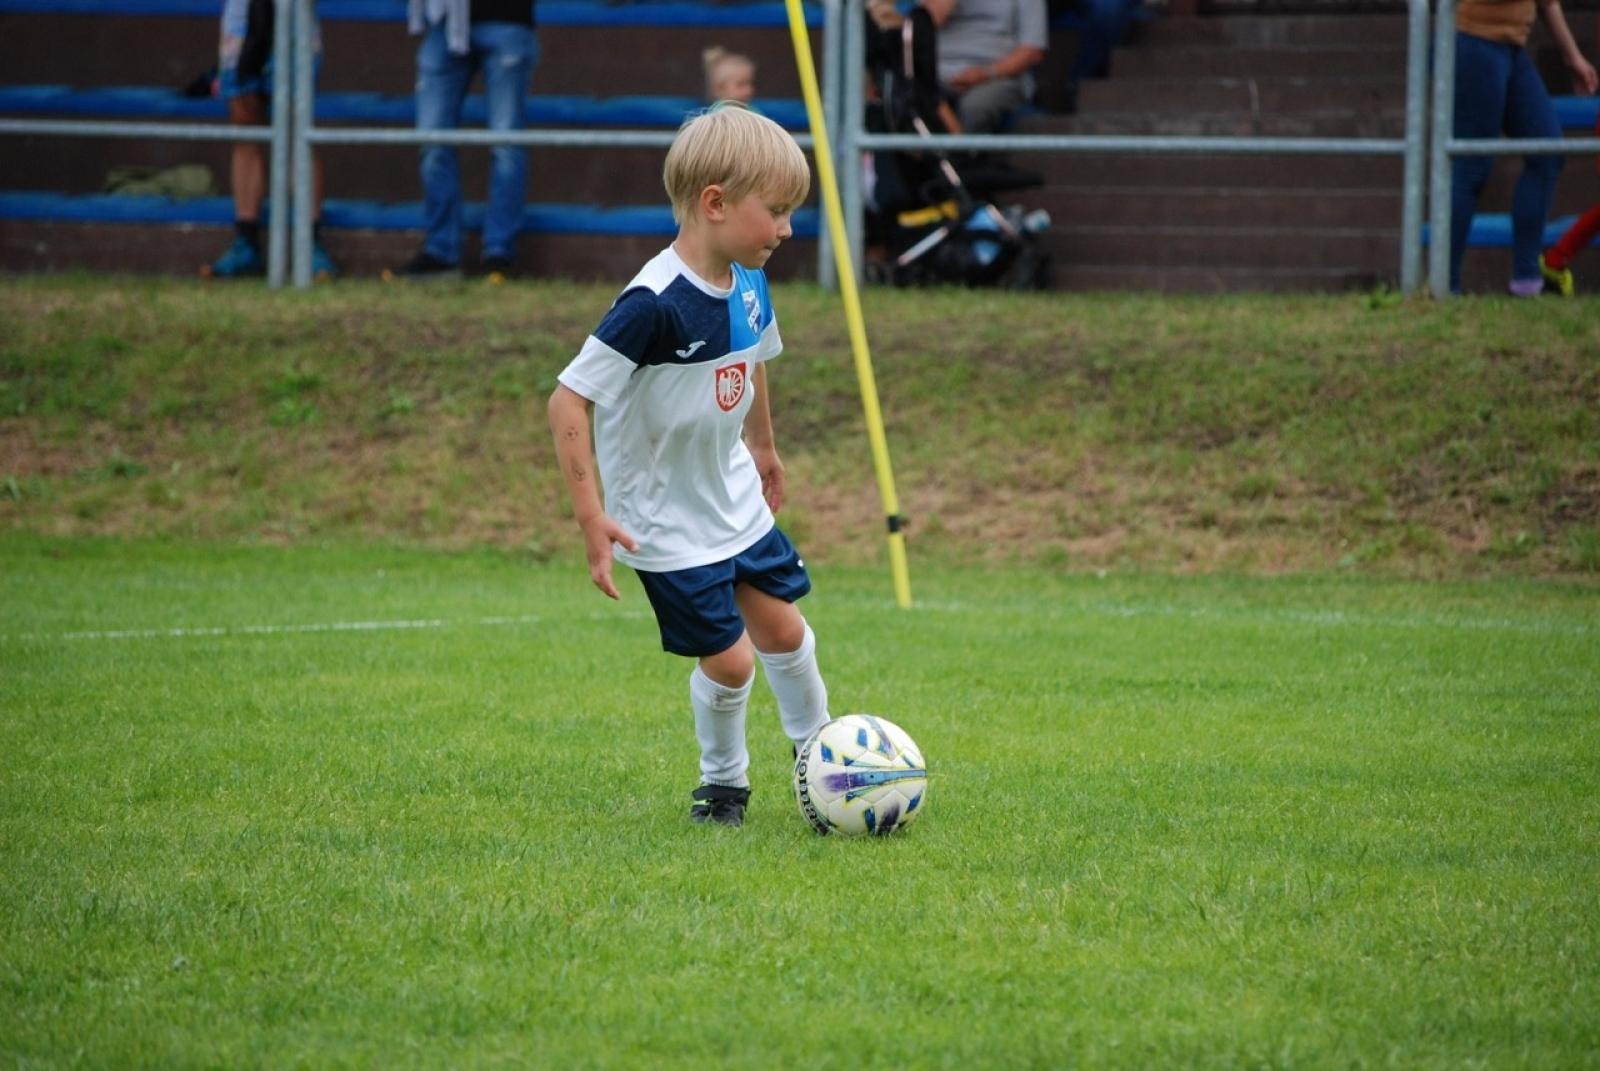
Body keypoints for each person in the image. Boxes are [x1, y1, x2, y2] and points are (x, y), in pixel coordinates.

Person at [546, 103, 829, 828]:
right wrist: (591, 517)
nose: (788, 230)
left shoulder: (746, 279)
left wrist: (762, 446)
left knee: (788, 633)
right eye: (778, 211)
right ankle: (723, 785)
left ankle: (823, 760)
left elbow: (754, 360)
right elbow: (568, 401)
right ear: (715, 204)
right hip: (665, 520)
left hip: (732, 496)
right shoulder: (653, 303)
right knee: (732, 663)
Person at [1448, 0, 1596, 295]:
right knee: (1474, 165)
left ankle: (1527, 282)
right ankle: (1445, 283)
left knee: (1547, 153)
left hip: (1513, 46)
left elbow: (1547, 2)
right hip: (1477, 40)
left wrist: (1573, 57)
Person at [387, 0, 539, 282]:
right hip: (442, 23)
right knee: (432, 141)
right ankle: (441, 253)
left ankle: (500, 254)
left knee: (506, 144)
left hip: (507, 20)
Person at [203, 0, 336, 280]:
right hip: (241, 20)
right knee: (245, 130)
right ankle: (246, 243)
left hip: (296, 23)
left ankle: (310, 244)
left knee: (296, 130)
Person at [888, 0, 1048, 134]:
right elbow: (925, 26)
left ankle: (962, 163)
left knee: (976, 107)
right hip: (936, 73)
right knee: (912, 96)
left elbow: (1032, 50)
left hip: (998, 76)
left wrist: (986, 73)